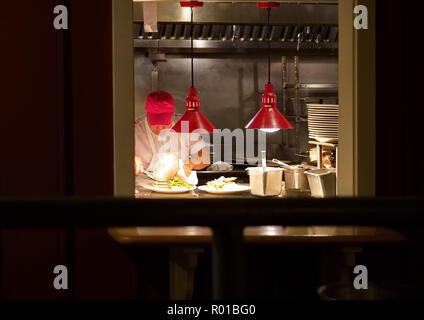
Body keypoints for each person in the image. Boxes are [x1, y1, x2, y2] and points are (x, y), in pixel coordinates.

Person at [134, 90, 210, 180]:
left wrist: (190, 165)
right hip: (143, 183)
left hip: (178, 184)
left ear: (172, 114)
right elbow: (116, 155)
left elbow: (204, 157)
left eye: (164, 124)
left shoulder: (184, 125)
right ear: (147, 114)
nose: (160, 129)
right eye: (155, 124)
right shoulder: (135, 128)